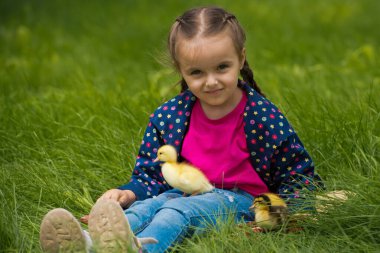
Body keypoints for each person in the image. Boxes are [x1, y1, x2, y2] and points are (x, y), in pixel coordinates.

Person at [39, 6, 323, 253]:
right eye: (197, 72)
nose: (211, 82)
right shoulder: (170, 117)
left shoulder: (261, 117)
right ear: (181, 69)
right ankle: (86, 243)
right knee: (148, 208)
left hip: (240, 200)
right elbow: (152, 175)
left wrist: (288, 215)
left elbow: (297, 173)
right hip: (186, 192)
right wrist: (128, 193)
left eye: (222, 67)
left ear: (241, 58)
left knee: (177, 212)